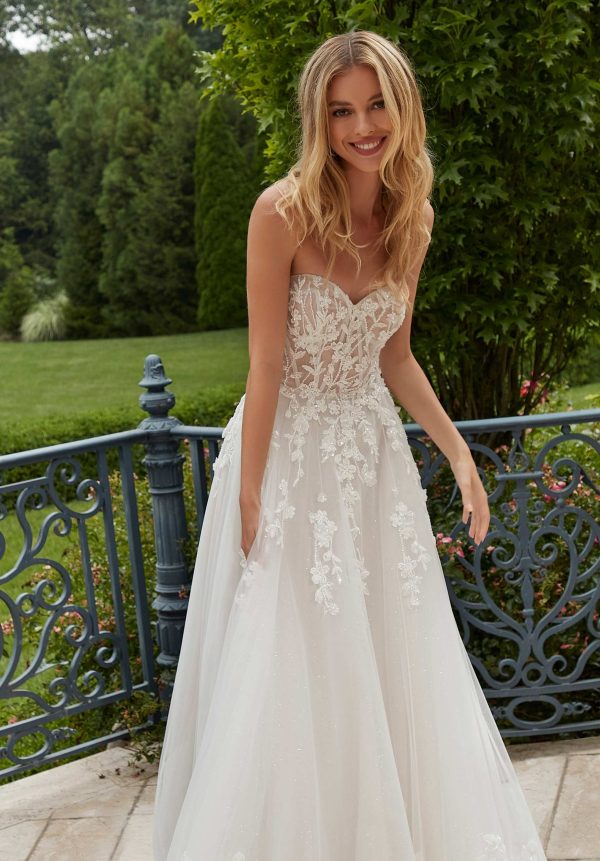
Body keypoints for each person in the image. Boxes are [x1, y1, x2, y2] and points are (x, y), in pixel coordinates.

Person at [153, 30, 547, 861]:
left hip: (373, 464)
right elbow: (264, 364)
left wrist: (459, 454)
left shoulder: (415, 215)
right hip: (289, 457)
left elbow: (394, 354)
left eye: (376, 105)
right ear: (319, 121)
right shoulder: (281, 212)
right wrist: (253, 495)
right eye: (341, 111)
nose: (362, 126)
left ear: (401, 109)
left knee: (389, 659)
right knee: (291, 668)